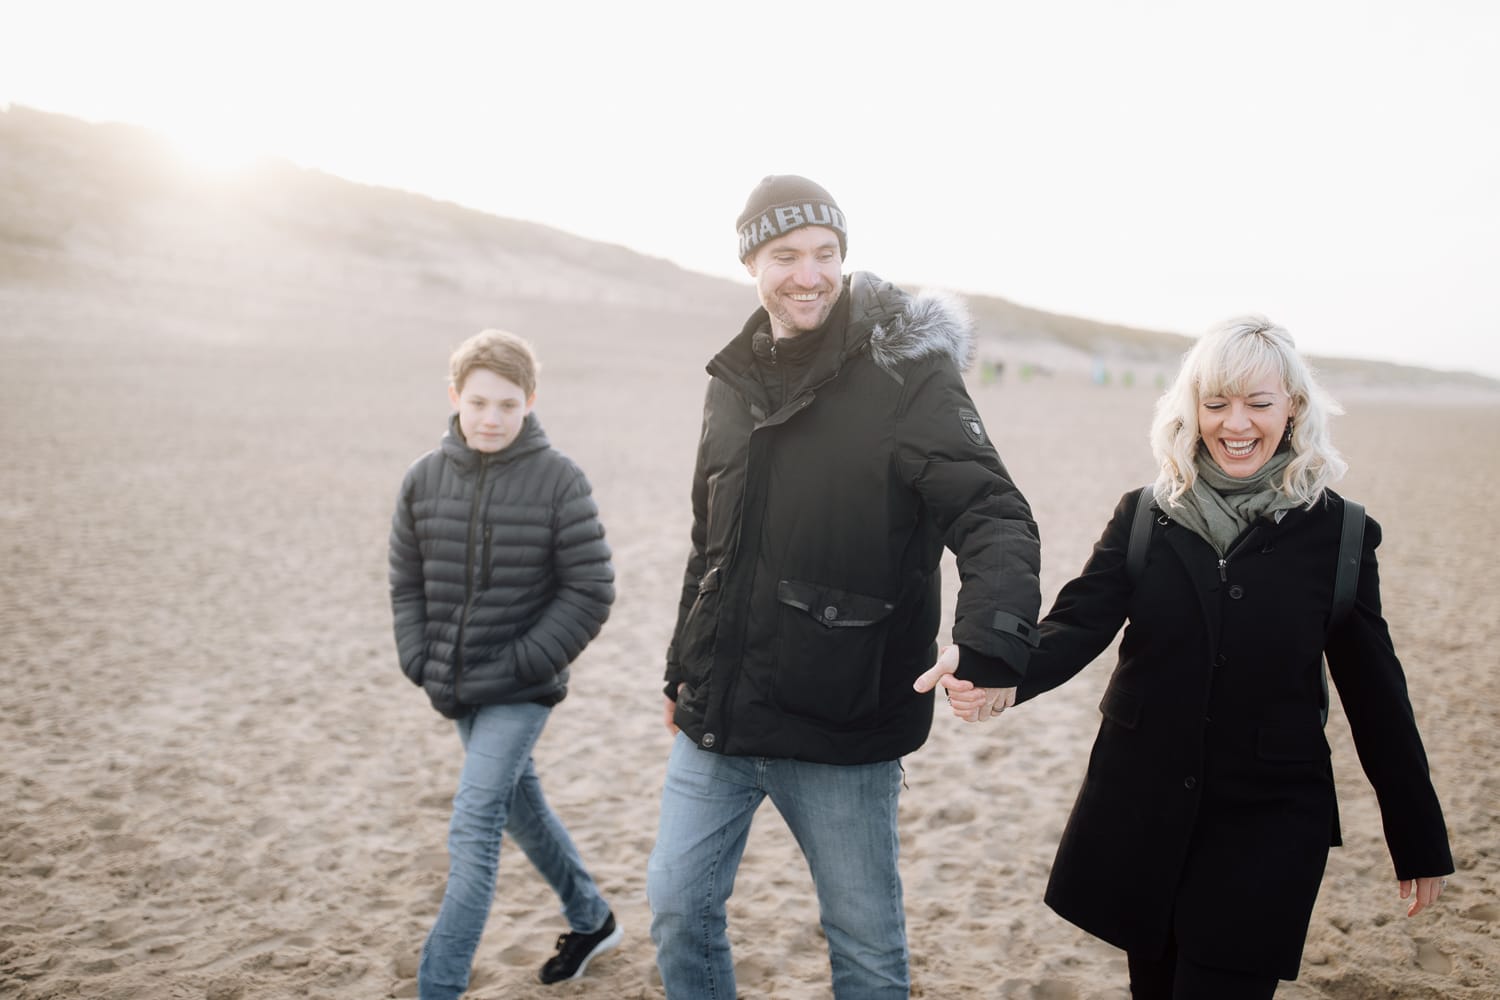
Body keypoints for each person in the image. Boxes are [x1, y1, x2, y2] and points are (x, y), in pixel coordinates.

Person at [919, 316, 1453, 998]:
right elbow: (1076, 626)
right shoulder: (1146, 515)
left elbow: (1377, 696)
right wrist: (992, 668)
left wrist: (1418, 838)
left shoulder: (1340, 534)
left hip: (1269, 821)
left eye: (1258, 403)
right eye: (1217, 403)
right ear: (1190, 408)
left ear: (1293, 407)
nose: (1236, 424)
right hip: (1145, 809)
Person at [646, 174, 1043, 998]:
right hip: (717, 716)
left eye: (826, 253)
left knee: (864, 945)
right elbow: (707, 543)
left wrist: (992, 637)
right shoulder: (730, 383)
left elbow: (994, 512)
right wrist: (679, 672)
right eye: (786, 254)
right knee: (679, 910)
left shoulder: (907, 375)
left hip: (845, 718)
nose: (809, 274)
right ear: (753, 263)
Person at [388, 329, 621, 997]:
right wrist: (418, 659)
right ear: (456, 395)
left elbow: (591, 590)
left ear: (530, 402)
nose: (492, 418)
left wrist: (524, 663)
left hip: (520, 689)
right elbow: (406, 582)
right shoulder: (422, 478)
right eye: (480, 402)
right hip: (454, 685)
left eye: (508, 405)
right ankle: (592, 919)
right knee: (521, 809)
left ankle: (440, 986)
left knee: (474, 826)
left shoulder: (559, 480)